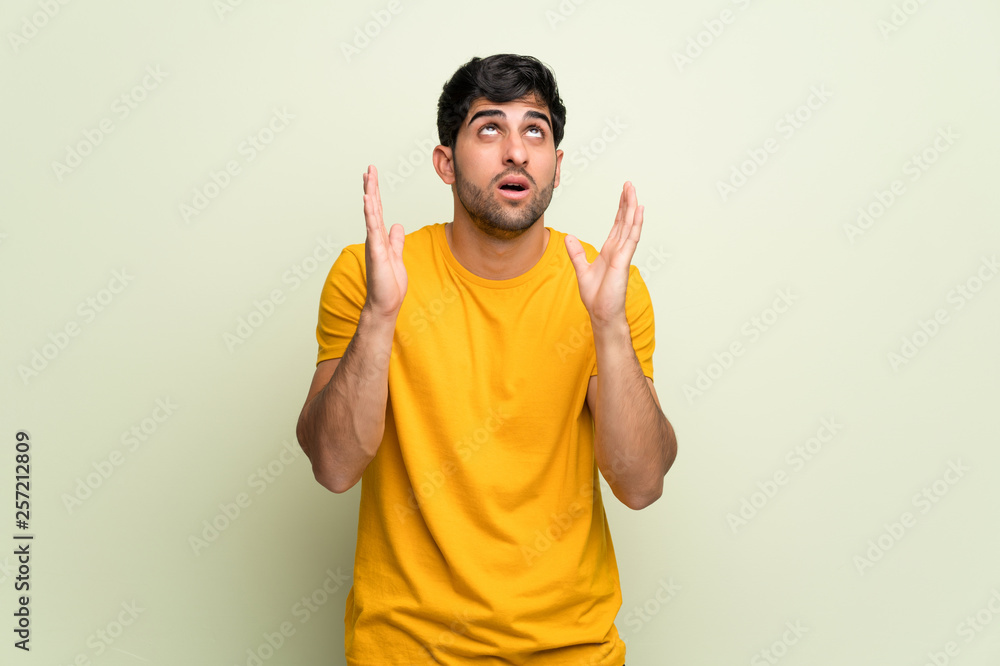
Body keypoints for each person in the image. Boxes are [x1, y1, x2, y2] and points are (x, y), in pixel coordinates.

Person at [295, 53, 677, 666]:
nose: (517, 152)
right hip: (406, 649)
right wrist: (380, 318)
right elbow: (334, 467)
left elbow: (641, 483)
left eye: (536, 130)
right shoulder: (370, 277)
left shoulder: (608, 289)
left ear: (556, 163)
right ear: (446, 162)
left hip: (571, 650)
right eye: (490, 128)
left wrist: (607, 326)